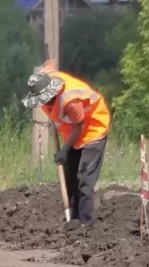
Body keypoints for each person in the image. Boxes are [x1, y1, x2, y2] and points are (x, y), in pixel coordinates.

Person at [21, 63, 111, 226]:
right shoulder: (44, 82)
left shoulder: (70, 100)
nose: (44, 104)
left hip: (92, 128)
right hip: (72, 132)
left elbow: (79, 126)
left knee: (84, 179)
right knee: (70, 178)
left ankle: (86, 224)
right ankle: (73, 221)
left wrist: (64, 149)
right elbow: (49, 64)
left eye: (46, 100)